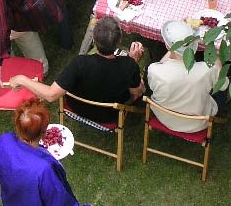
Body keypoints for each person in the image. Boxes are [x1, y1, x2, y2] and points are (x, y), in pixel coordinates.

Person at [9, 16, 144, 125]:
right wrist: (133, 61)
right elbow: (137, 92)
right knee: (146, 56)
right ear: (119, 41)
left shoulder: (80, 63)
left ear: (95, 42)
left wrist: (21, 79)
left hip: (77, 107)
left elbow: (51, 95)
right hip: (108, 115)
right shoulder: (129, 66)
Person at [146, 20, 228, 133]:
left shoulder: (153, 70)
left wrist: (174, 46)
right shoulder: (207, 70)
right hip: (196, 123)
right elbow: (223, 85)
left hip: (165, 117)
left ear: (166, 45)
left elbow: (162, 64)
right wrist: (217, 57)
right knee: (222, 86)